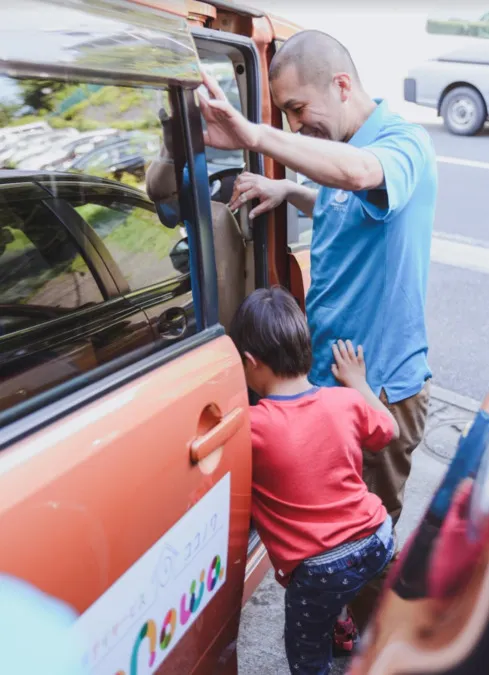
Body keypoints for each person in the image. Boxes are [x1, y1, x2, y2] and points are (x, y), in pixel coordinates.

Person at [198, 30, 437, 528]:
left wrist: (256, 136)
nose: (295, 125)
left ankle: (368, 608)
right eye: (285, 115)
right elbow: (341, 200)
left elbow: (359, 178)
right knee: (329, 523)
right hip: (331, 378)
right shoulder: (343, 146)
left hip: (379, 389)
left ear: (342, 86)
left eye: (299, 109)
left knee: (367, 528)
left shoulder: (402, 143)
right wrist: (287, 188)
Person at [229, 286, 399, 675]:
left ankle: (333, 627)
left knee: (307, 657)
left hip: (321, 568)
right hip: (377, 538)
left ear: (250, 361)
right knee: (342, 586)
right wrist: (358, 383)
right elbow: (387, 430)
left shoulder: (253, 426)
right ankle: (343, 627)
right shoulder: (346, 402)